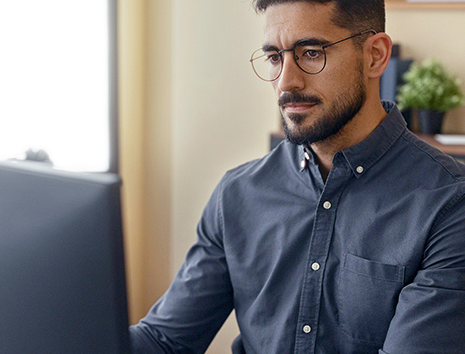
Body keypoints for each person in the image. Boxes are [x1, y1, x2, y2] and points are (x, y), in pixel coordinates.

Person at [128, 0, 465, 353]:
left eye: (310, 53)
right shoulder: (237, 194)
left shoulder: (449, 205)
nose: (286, 82)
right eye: (275, 57)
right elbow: (164, 341)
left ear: (375, 56)